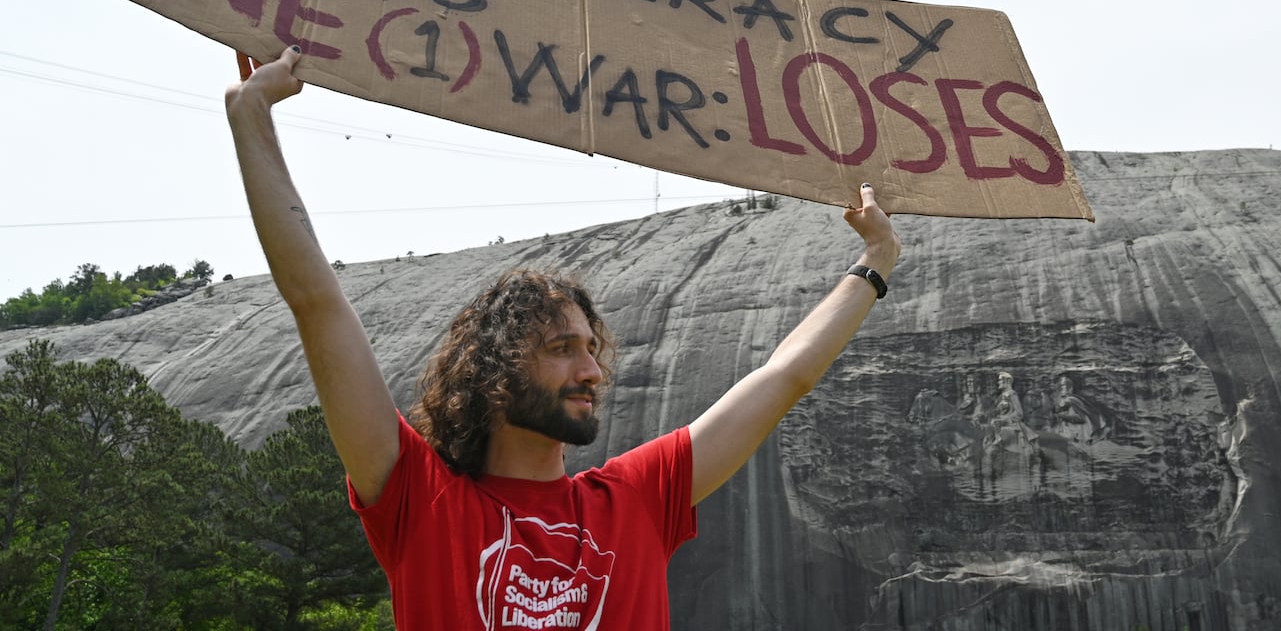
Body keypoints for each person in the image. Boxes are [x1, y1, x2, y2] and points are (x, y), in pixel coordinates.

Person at [224, 44, 901, 631]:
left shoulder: (637, 499)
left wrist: (875, 262)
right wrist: (251, 116)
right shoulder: (418, 499)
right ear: (493, 372)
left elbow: (782, 376)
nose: (592, 370)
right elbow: (318, 305)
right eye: (561, 348)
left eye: (591, 348)